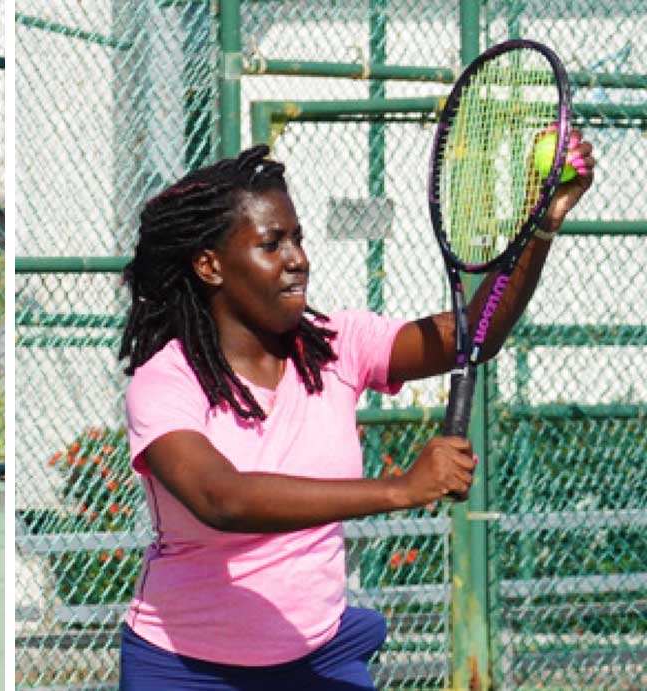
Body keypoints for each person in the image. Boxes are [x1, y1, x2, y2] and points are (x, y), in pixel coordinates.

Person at [117, 137, 594, 689]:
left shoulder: (337, 344)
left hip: (318, 656)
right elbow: (221, 498)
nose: (298, 258)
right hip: (184, 668)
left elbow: (473, 333)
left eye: (297, 238)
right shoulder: (167, 381)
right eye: (272, 244)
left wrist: (542, 225)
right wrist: (400, 489)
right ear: (210, 266)